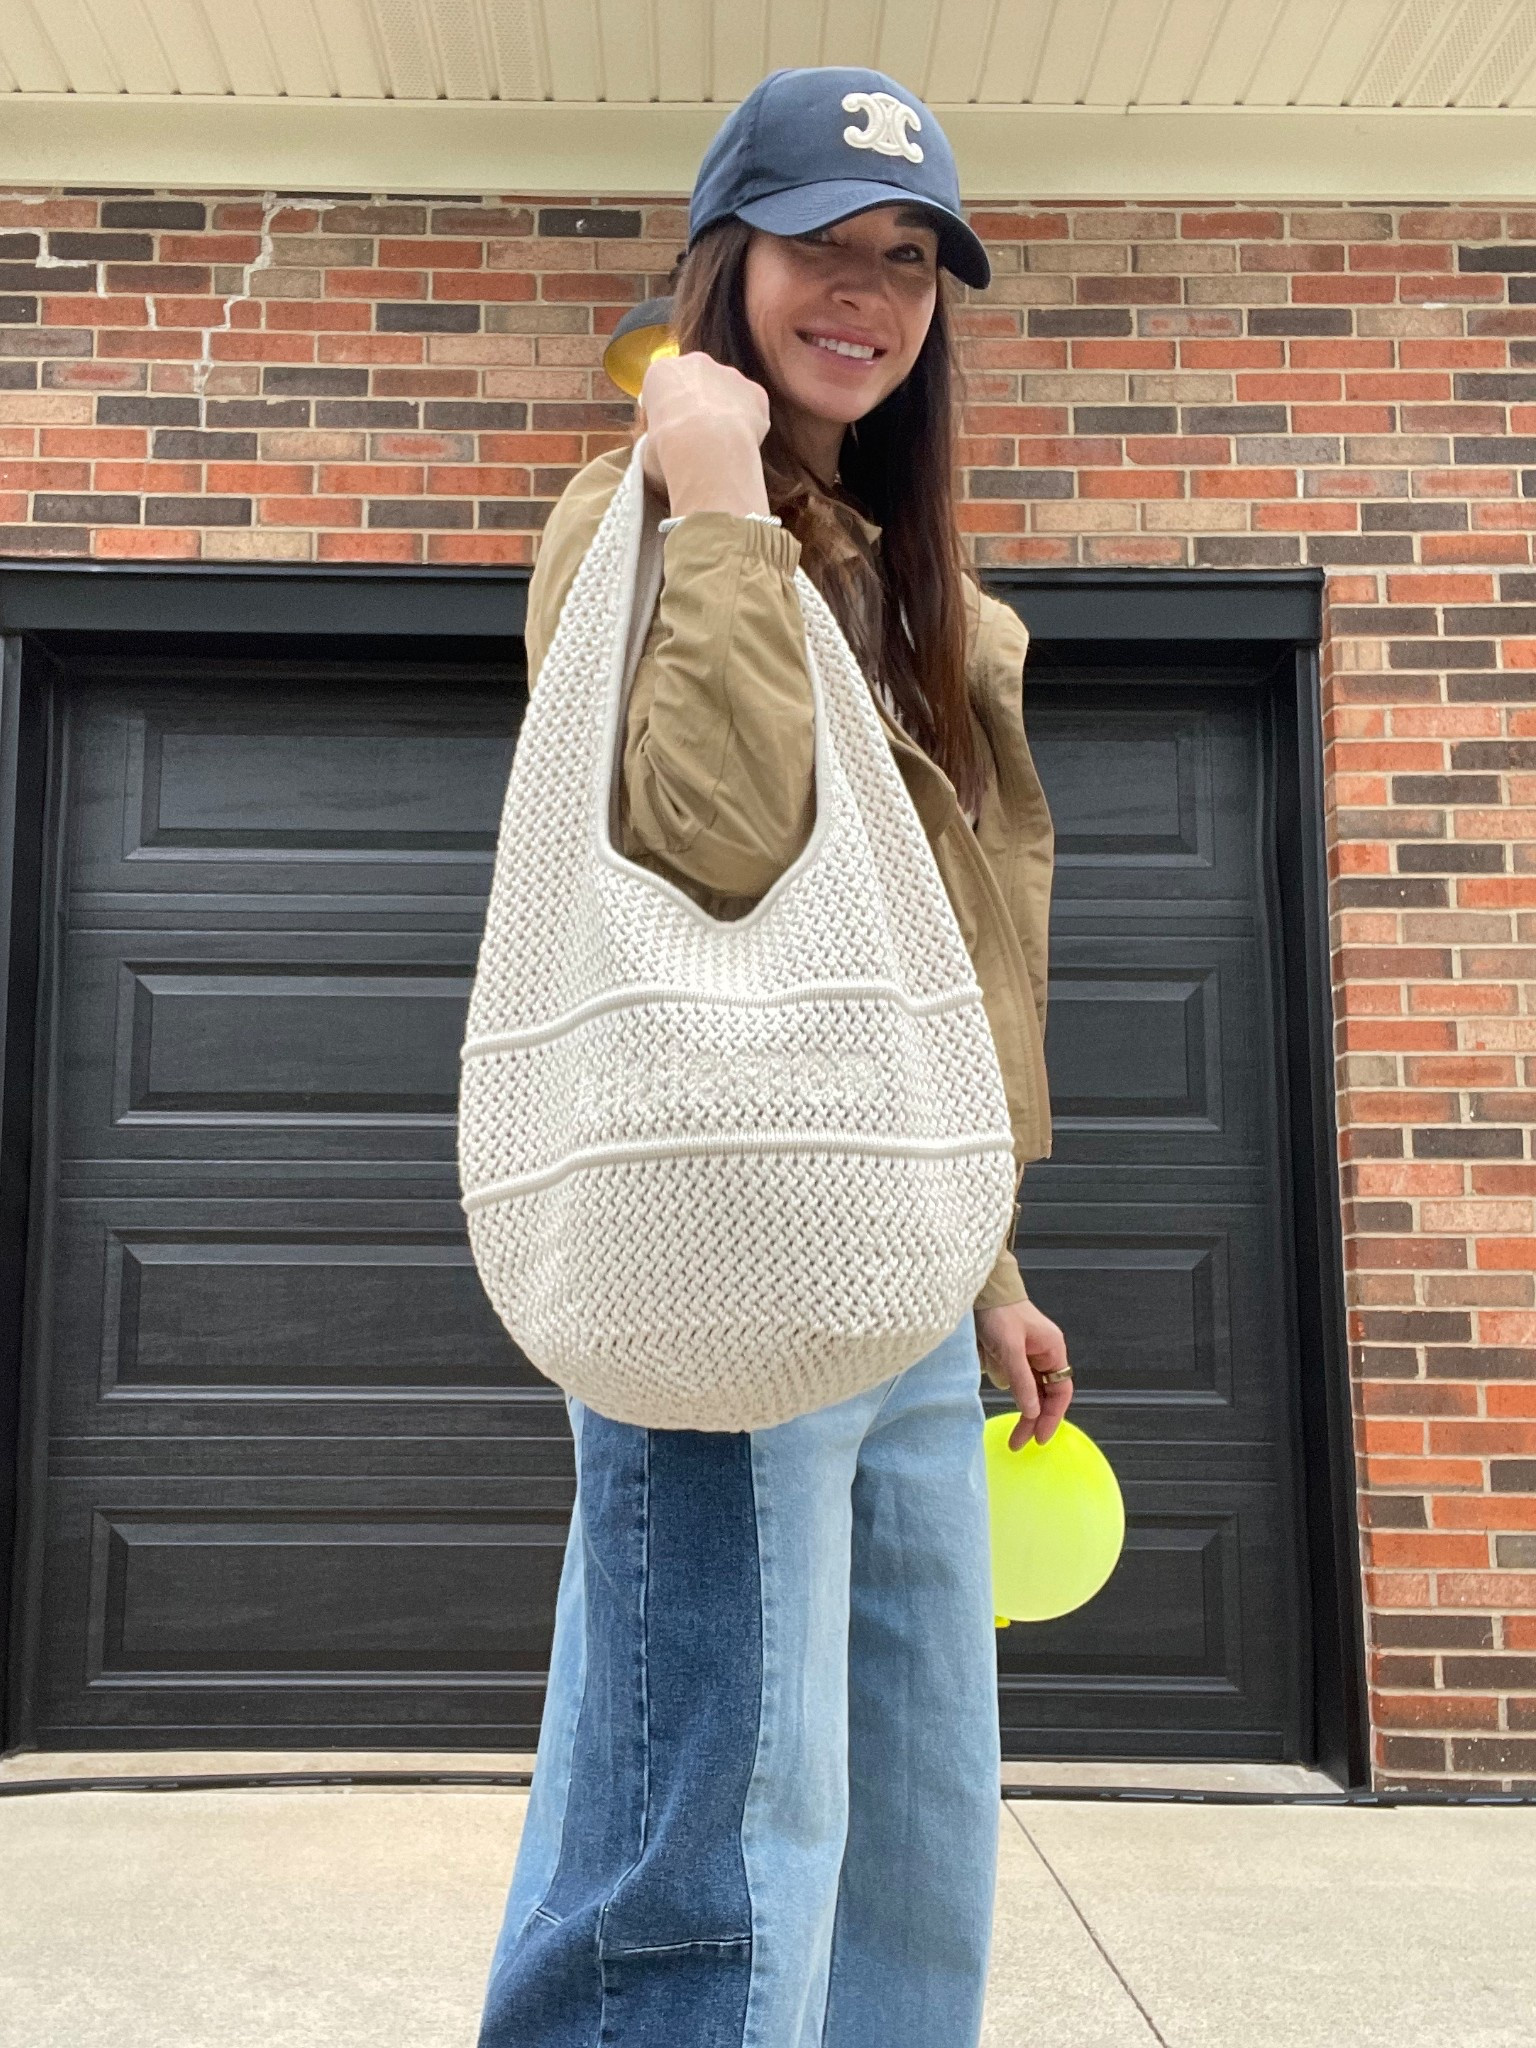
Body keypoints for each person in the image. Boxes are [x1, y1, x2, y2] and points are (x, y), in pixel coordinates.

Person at [476, 63, 1073, 2048]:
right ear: (730, 259)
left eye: (908, 259)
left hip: (894, 1271)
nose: (868, 293)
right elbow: (718, 847)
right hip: (722, 1244)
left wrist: (985, 1268)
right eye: (823, 242)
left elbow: (922, 971)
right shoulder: (640, 517)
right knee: (713, 1831)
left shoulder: (909, 578)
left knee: (910, 1825)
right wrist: (719, 498)